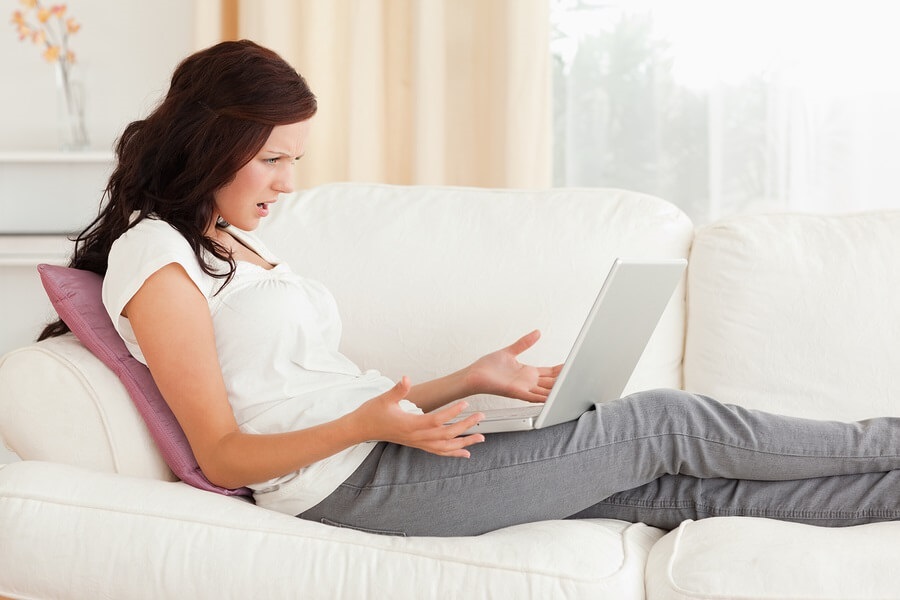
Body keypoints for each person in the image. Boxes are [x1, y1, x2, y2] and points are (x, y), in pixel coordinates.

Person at [40, 40, 900, 537]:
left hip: (383, 449)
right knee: (663, 422)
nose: (287, 182)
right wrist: (372, 424)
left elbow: (318, 389)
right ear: (205, 142)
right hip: (344, 488)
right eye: (272, 158)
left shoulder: (231, 243)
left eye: (294, 160)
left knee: (682, 493)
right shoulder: (155, 256)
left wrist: (468, 379)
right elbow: (226, 452)